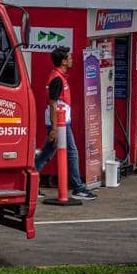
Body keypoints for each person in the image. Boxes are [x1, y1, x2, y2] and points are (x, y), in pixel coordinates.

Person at [35, 47, 97, 201]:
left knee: (46, 154)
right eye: (69, 58)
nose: (71, 60)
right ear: (63, 61)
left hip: (61, 123)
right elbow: (52, 104)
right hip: (60, 124)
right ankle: (78, 188)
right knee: (71, 152)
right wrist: (55, 129)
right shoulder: (57, 79)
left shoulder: (59, 76)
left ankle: (29, 184)